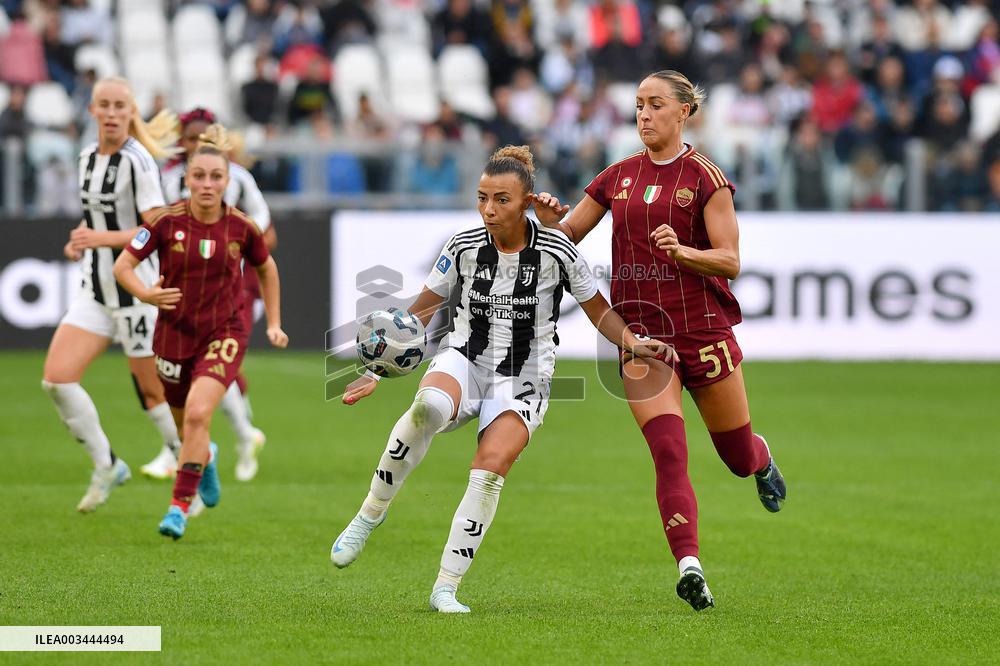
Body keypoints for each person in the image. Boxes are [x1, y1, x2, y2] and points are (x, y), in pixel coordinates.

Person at [330, 145, 671, 613]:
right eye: (482, 197)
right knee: (427, 407)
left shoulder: (558, 251)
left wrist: (632, 342)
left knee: (490, 467)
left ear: (527, 201)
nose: (489, 209)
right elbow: (422, 312)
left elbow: (600, 312)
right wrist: (376, 368)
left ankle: (445, 587)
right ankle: (370, 514)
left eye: (502, 200)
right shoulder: (463, 245)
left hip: (525, 374)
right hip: (464, 357)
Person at [532, 70, 787, 611]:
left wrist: (685, 254)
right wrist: (548, 223)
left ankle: (762, 460)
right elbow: (566, 239)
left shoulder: (705, 178)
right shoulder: (617, 176)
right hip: (643, 341)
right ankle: (689, 566)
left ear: (683, 113)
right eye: (638, 105)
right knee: (669, 453)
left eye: (655, 105)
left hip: (705, 336)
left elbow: (731, 260)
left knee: (735, 457)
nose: (643, 114)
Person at [113, 125, 288, 540]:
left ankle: (178, 506)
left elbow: (267, 268)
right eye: (200, 176)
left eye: (216, 177)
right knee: (183, 426)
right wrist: (146, 294)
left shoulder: (241, 227)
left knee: (197, 414)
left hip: (224, 332)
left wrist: (276, 323)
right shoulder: (163, 222)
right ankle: (205, 457)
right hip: (173, 335)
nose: (208, 184)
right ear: (187, 179)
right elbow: (123, 266)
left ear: (228, 181)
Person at [41, 76, 182, 513]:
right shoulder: (86, 158)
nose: (112, 113)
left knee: (152, 391)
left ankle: (192, 462)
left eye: (121, 105)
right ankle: (107, 464)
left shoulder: (138, 161)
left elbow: (159, 227)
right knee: (57, 380)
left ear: (131, 112)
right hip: (96, 290)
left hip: (138, 289)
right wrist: (79, 244)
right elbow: (95, 225)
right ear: (92, 111)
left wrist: (100, 240)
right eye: (104, 105)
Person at [149, 108, 276, 483]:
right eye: (189, 139)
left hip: (227, 293)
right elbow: (153, 229)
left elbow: (266, 232)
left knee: (211, 367)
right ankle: (240, 436)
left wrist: (238, 253)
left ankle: (181, 450)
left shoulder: (238, 180)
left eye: (203, 139)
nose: (195, 146)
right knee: (188, 370)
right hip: (178, 291)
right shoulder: (170, 180)